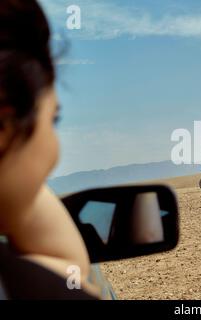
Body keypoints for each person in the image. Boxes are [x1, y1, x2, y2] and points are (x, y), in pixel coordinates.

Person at [0, 0, 101, 299]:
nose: (55, 151)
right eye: (53, 119)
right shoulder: (21, 285)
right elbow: (70, 273)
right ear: (6, 121)